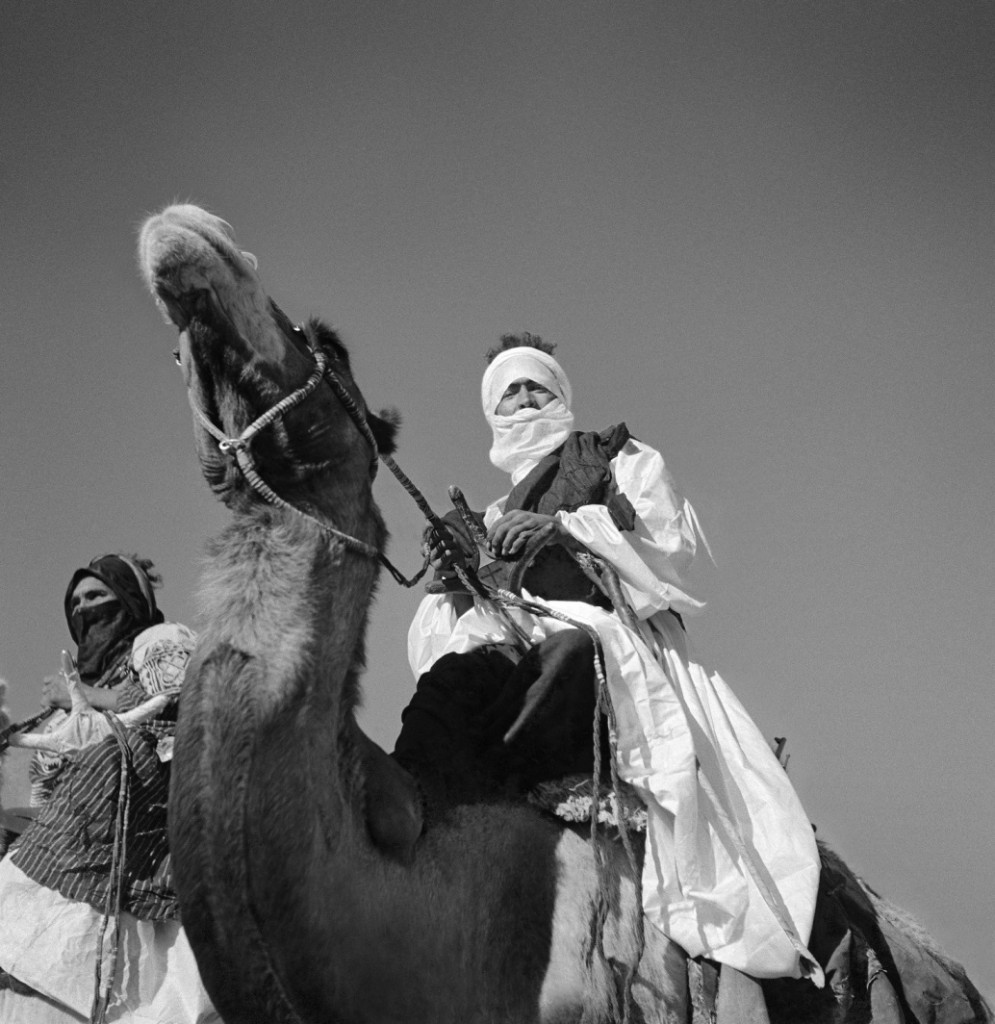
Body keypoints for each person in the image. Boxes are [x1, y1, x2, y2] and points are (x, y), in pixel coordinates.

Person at [395, 335, 824, 984]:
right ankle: (409, 820)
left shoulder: (615, 459)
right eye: (508, 392)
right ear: (491, 413)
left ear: (559, 394)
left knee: (565, 652)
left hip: (609, 640)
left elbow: (670, 554)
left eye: (534, 386)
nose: (522, 399)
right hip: (509, 652)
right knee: (450, 685)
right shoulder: (486, 517)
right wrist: (458, 581)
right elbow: (437, 640)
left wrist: (560, 530)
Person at [0, 554, 217, 1023]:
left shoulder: (158, 640)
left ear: (131, 600)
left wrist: (86, 699)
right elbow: (48, 797)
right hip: (68, 859)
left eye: (97, 596)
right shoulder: (71, 698)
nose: (85, 608)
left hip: (144, 848)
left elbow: (191, 697)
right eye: (76, 601)